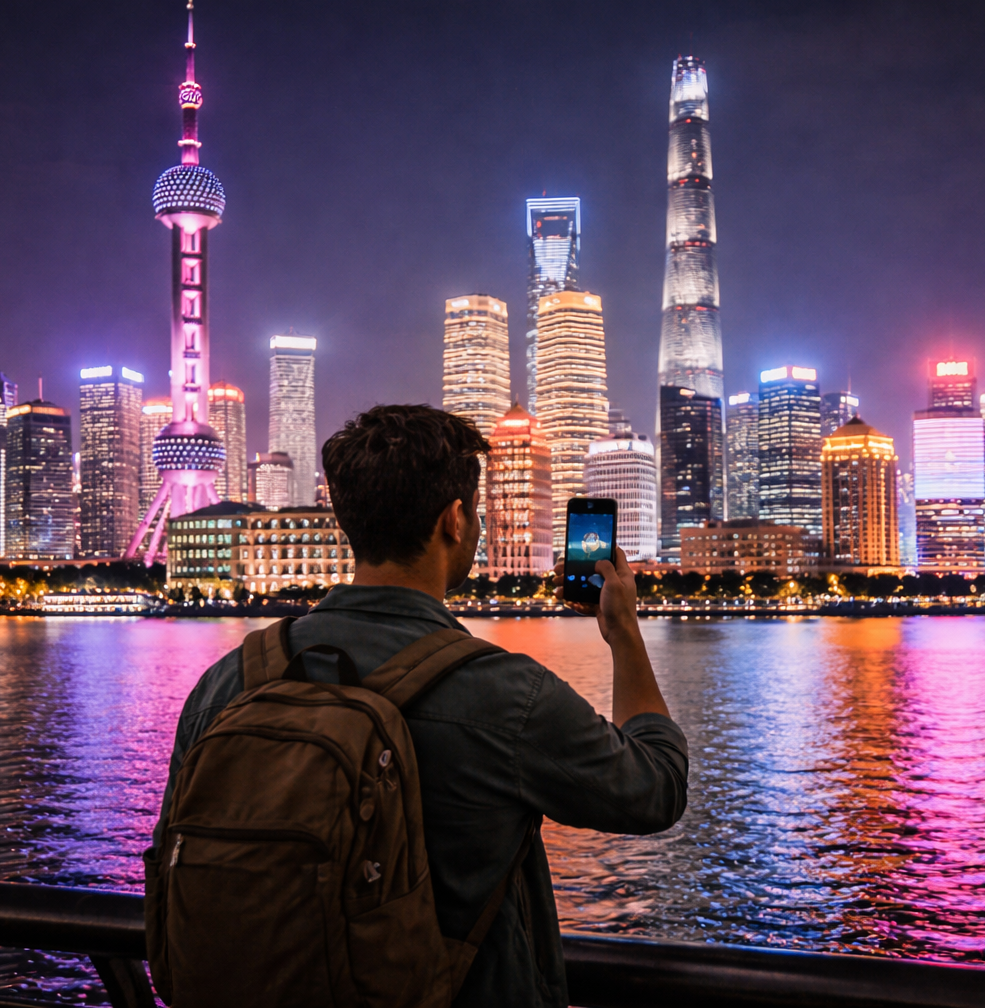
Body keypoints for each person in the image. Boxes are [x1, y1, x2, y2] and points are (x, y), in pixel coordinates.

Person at [148, 404, 688, 1007]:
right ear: (455, 520)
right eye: (475, 511)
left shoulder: (225, 684)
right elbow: (656, 788)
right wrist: (624, 633)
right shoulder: (506, 692)